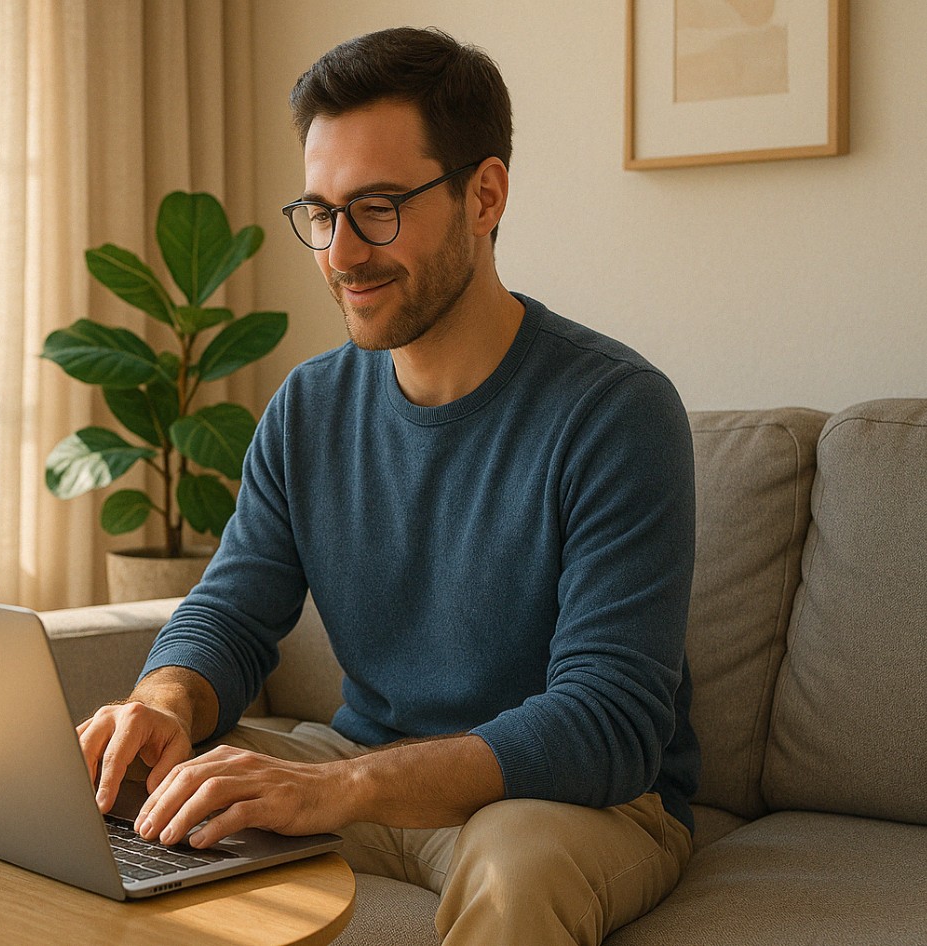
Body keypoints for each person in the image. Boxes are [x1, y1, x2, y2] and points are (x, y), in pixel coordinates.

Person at [77, 26, 699, 946]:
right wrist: (162, 703)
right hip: (357, 765)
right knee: (128, 790)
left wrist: (338, 786)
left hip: (562, 800)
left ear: (483, 195)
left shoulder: (615, 411)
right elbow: (232, 613)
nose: (341, 253)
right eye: (322, 213)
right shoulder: (308, 406)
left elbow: (606, 723)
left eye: (377, 207)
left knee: (515, 868)